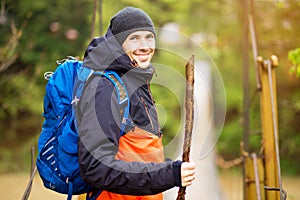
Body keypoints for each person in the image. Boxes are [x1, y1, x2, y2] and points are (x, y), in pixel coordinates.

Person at [75, 6, 196, 200]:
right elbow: (95, 167)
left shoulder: (136, 80)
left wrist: (168, 170)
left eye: (149, 37)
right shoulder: (104, 88)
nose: (145, 46)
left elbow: (136, 152)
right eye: (134, 38)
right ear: (117, 43)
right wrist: (168, 174)